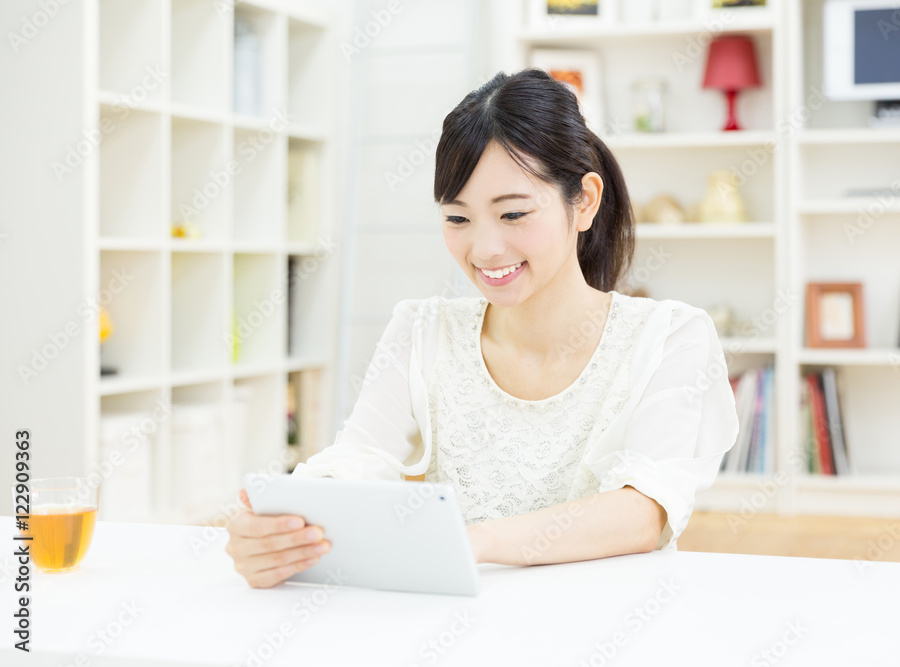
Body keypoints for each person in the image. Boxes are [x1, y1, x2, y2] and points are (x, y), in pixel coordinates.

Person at [225, 69, 739, 589]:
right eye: (458, 219)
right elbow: (358, 460)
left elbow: (644, 511)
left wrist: (472, 541)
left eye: (513, 213)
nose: (485, 249)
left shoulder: (672, 337)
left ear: (583, 201)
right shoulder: (422, 330)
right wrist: (284, 527)